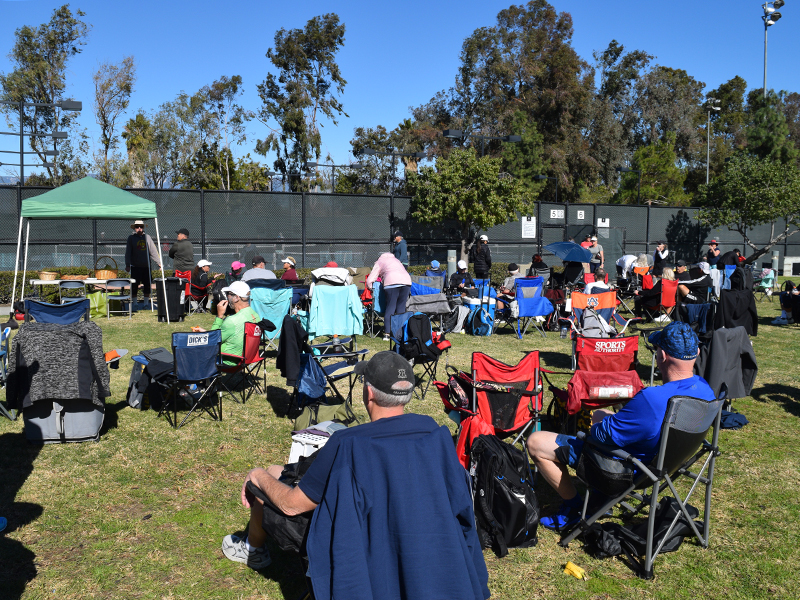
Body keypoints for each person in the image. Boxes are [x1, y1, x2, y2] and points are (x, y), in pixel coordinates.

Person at [221, 351, 490, 600]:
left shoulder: (348, 443)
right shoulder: (435, 434)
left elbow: (292, 505)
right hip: (425, 549)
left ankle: (253, 550)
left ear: (368, 393)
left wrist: (257, 474)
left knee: (268, 487)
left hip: (368, 556)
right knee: (278, 473)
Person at [527, 321, 715, 530]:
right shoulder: (705, 391)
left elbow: (599, 437)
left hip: (623, 470)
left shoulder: (653, 399)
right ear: (696, 352)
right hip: (662, 464)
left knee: (536, 442)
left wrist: (597, 423)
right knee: (602, 414)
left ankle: (575, 508)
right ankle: (597, 498)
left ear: (662, 356)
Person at [194, 280, 259, 363]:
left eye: (228, 294)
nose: (226, 297)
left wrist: (219, 316)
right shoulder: (255, 316)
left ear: (236, 298)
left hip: (226, 360)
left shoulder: (232, 321)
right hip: (246, 359)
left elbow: (212, 340)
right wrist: (205, 332)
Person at [367, 252, 412, 341]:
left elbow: (371, 277)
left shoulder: (380, 261)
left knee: (390, 308)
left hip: (391, 283)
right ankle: (400, 333)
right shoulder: (397, 261)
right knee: (401, 308)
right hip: (407, 282)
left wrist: (370, 287)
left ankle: (387, 333)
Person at [124, 219, 161, 302]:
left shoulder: (147, 237)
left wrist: (159, 263)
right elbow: (128, 252)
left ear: (143, 228)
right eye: (137, 227)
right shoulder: (131, 238)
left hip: (146, 266)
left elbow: (153, 251)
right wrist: (127, 264)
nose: (139, 228)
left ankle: (146, 303)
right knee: (134, 285)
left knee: (147, 285)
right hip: (135, 266)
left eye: (141, 227)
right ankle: (135, 303)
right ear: (134, 228)